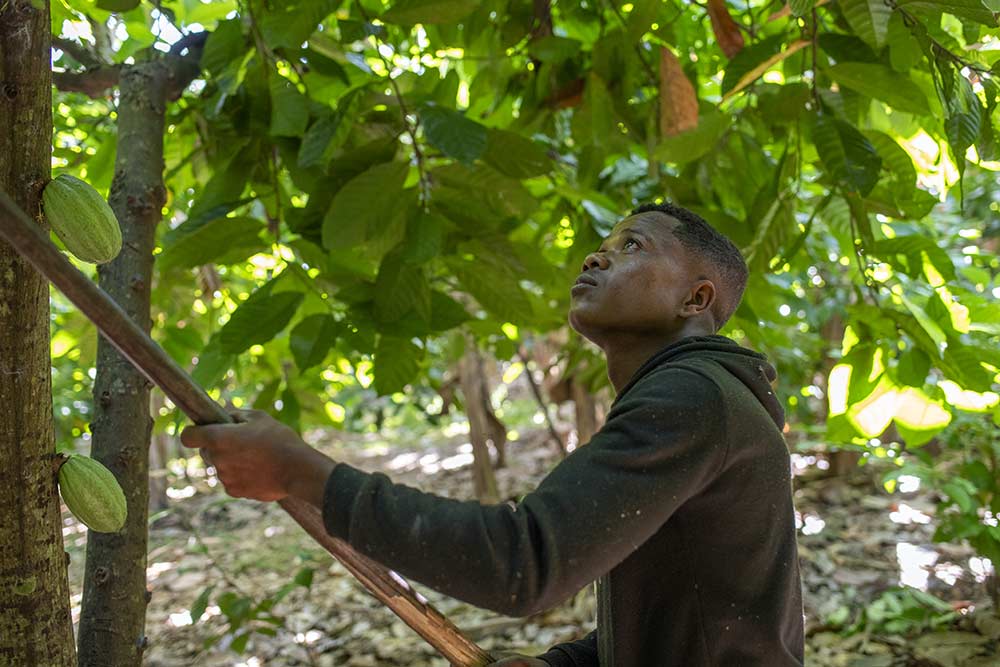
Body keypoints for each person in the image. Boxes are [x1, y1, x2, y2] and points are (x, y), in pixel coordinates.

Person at [181, 202, 805, 666]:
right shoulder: (696, 396)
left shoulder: (692, 398)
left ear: (695, 299)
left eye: (632, 245)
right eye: (603, 245)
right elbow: (693, 616)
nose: (596, 257)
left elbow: (524, 563)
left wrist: (299, 472)